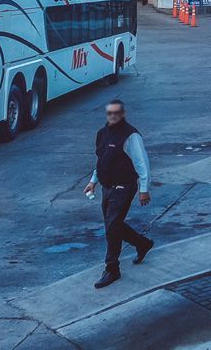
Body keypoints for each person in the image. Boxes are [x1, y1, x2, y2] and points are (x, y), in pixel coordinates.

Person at [85, 99, 153, 289]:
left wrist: (144, 189)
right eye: (110, 113)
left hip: (124, 187)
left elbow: (142, 163)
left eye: (117, 113)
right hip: (107, 187)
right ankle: (143, 243)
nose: (113, 116)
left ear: (122, 114)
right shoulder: (102, 134)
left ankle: (112, 268)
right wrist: (93, 182)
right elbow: (102, 161)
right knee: (112, 224)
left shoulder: (131, 136)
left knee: (112, 225)